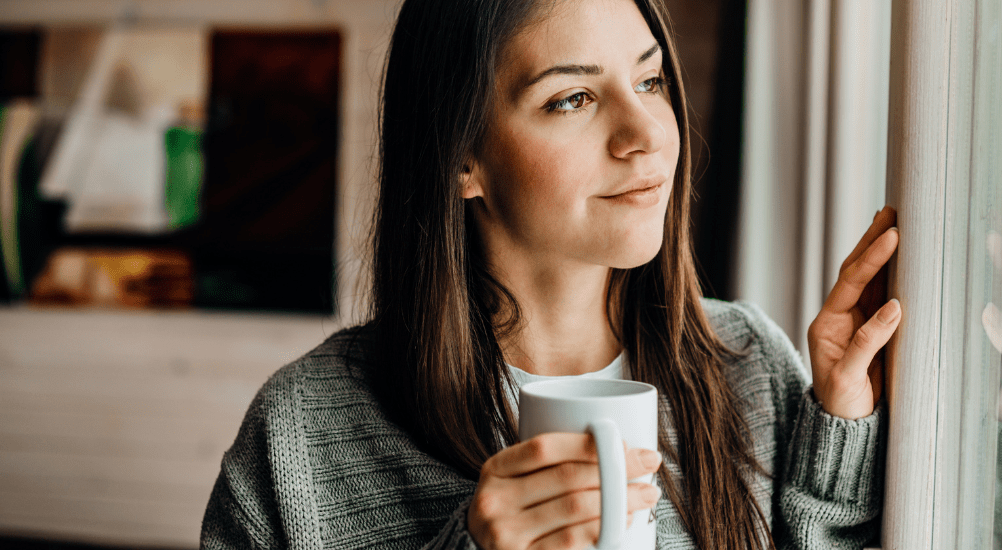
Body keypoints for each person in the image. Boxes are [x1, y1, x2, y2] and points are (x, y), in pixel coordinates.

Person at [199, 0, 904, 548]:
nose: (649, 134)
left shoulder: (749, 366)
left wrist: (839, 425)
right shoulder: (301, 431)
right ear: (461, 158)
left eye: (650, 79)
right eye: (573, 98)